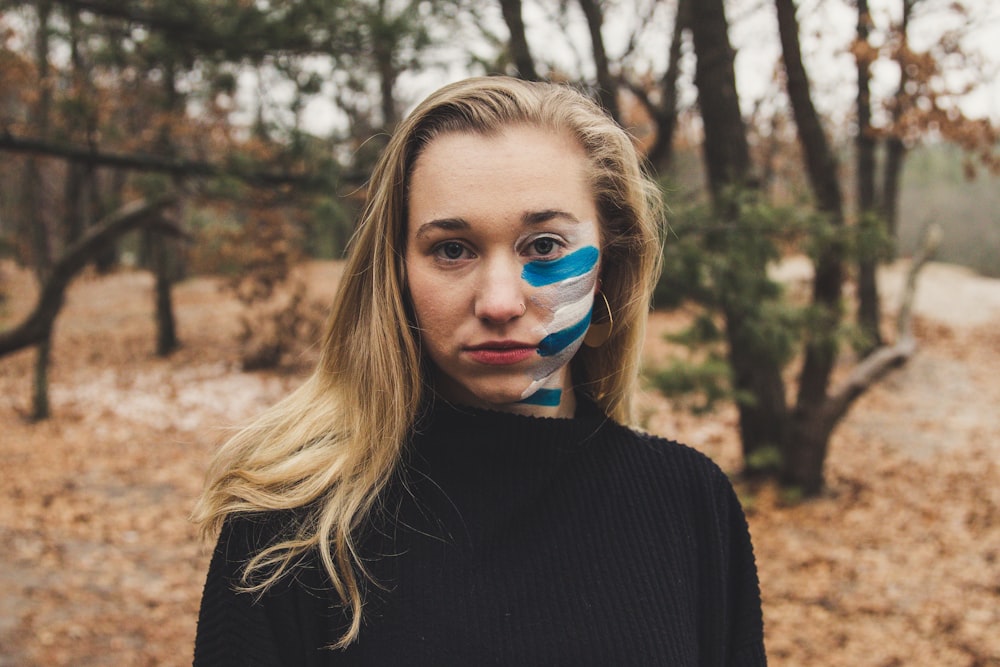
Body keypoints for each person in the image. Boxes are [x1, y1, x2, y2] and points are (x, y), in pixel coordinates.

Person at [192, 76, 766, 666]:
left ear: (611, 266)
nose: (498, 302)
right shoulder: (288, 526)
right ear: (397, 273)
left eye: (543, 247)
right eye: (452, 249)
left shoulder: (689, 504)